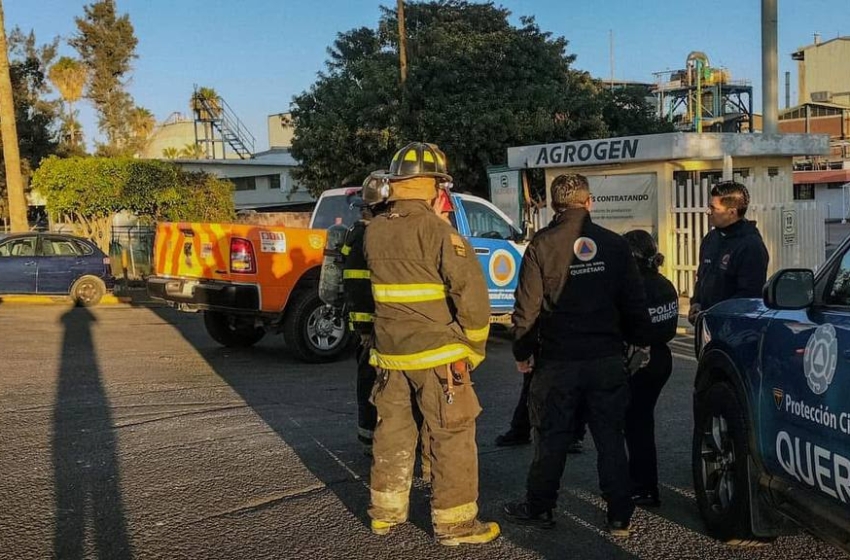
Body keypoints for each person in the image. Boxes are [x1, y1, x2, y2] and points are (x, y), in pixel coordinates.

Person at [363, 142, 500, 546]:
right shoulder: (440, 232)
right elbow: (472, 299)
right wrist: (472, 349)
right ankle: (455, 524)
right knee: (452, 433)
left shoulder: (375, 232)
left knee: (393, 431)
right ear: (436, 186)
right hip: (439, 355)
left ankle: (385, 513)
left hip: (390, 355)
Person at [503, 173, 651, 538]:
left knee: (551, 438)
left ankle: (539, 508)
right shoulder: (614, 246)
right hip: (605, 359)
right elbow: (634, 304)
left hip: (558, 362)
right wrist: (639, 343)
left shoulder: (541, 245)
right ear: (589, 203)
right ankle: (619, 516)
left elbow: (527, 310)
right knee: (610, 438)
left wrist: (523, 352)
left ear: (554, 206)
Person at [621, 229, 679, 508]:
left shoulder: (633, 288)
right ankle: (643, 483)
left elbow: (626, 328)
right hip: (661, 358)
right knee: (641, 422)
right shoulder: (665, 284)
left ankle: (643, 486)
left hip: (639, 361)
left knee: (637, 425)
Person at [688, 180, 769, 325]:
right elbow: (702, 277)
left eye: (714, 208)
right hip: (706, 324)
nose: (708, 212)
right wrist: (696, 301)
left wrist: (716, 313)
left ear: (732, 212)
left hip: (733, 328)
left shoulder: (750, 246)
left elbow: (749, 295)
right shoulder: (711, 238)